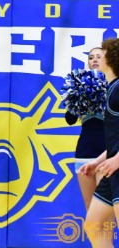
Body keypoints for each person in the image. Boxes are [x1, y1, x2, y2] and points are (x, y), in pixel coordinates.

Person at [81, 39, 119, 247]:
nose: (97, 58)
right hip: (112, 171)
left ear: (111, 58)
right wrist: (98, 162)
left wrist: (117, 160)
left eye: (101, 53)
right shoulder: (112, 88)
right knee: (93, 225)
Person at [65, 47, 107, 213]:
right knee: (90, 208)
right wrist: (77, 96)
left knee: (105, 208)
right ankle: (95, 233)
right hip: (85, 151)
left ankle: (107, 233)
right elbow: (70, 119)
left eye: (99, 56)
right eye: (91, 57)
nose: (94, 60)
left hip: (108, 153)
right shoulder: (81, 87)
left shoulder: (115, 86)